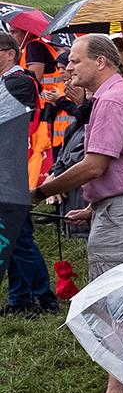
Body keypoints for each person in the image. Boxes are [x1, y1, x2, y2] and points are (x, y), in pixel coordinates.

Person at [33, 36, 123, 393]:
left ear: (102, 62)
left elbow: (95, 165)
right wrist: (95, 206)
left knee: (112, 303)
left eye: (75, 61)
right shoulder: (116, 96)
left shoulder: (110, 99)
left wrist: (40, 191)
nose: (68, 68)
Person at [0, 33, 54, 315]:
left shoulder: (19, 82)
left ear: (10, 53)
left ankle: (43, 298)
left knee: (19, 239)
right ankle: (19, 299)